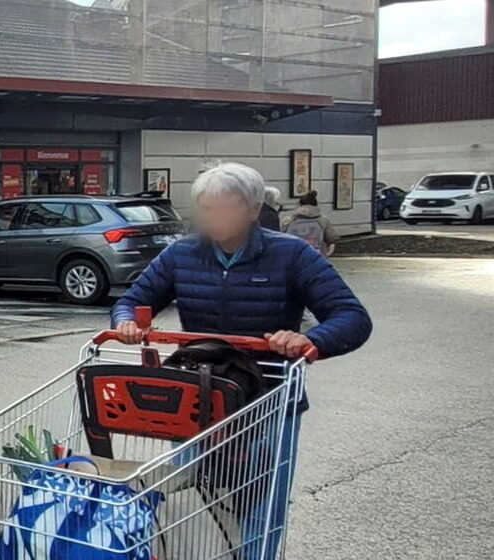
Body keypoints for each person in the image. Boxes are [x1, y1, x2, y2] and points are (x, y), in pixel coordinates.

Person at [111, 162, 371, 559]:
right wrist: (126, 322)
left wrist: (309, 339)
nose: (214, 217)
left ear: (253, 210)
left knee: (259, 504)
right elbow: (132, 300)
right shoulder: (182, 253)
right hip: (200, 397)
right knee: (186, 499)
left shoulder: (291, 254)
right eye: (207, 208)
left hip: (267, 398)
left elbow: (352, 318)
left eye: (226, 207)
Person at [282, 191, 339, 255]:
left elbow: (281, 237)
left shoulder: (288, 220)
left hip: (294, 255)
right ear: (316, 205)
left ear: (299, 204)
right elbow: (332, 238)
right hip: (316, 255)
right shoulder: (323, 220)